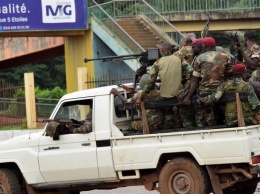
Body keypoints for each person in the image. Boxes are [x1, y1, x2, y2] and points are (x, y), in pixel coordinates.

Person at [182, 37, 232, 127]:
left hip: (205, 92)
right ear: (214, 46)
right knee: (222, 115)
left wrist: (188, 97)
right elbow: (230, 73)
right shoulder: (225, 56)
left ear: (204, 46)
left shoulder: (200, 58)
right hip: (221, 91)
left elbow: (195, 79)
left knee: (203, 117)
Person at [135, 42, 184, 129]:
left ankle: (168, 128)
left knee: (167, 115)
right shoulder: (179, 59)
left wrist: (140, 97)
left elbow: (150, 82)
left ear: (161, 50)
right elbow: (190, 72)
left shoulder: (158, 63)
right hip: (180, 95)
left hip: (165, 96)